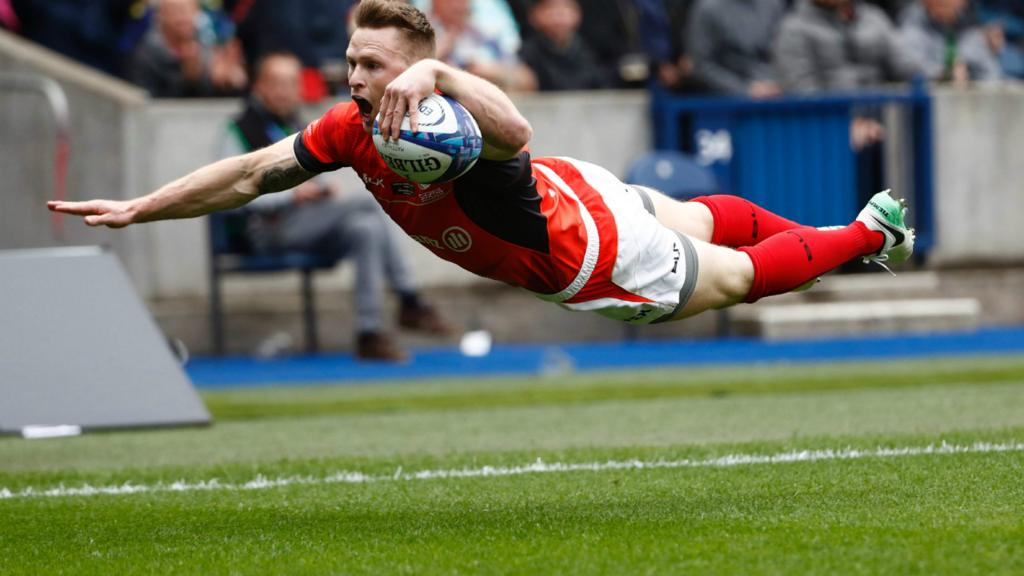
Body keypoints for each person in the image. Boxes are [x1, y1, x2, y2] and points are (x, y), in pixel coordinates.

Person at [49, 0, 916, 332]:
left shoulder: (453, 121)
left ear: (416, 64)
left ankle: (864, 233)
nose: (355, 78)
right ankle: (854, 241)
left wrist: (442, 71)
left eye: (374, 65)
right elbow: (249, 173)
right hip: (576, 190)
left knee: (735, 279)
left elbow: (514, 127)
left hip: (584, 250)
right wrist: (140, 206)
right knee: (707, 215)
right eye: (351, 61)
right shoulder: (352, 128)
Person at [224, 51, 452, 361]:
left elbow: (309, 180)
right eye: (275, 83)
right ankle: (409, 298)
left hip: (306, 222)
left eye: (291, 83)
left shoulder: (297, 124)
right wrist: (292, 195)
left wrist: (319, 191)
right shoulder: (237, 130)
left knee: (366, 229)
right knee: (368, 202)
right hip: (265, 230)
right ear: (258, 87)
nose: (284, 91)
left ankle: (368, 333)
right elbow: (232, 193)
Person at [129, 0, 248, 97]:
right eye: (176, 11)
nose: (183, 17)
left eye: (188, 10)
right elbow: (148, 105)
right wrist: (188, 79)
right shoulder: (146, 55)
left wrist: (226, 84)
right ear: (160, 16)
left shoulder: (206, 46)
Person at [686, 0, 787, 97]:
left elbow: (783, 54)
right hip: (725, 100)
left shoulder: (774, 4)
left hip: (777, 94)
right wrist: (743, 89)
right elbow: (701, 65)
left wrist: (780, 84)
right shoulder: (708, 8)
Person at [899, 0, 1002, 84]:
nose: (945, 1)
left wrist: (967, 74)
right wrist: (945, 75)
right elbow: (910, 70)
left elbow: (991, 76)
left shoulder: (972, 32)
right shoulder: (910, 30)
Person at [518, 0, 611, 91]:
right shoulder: (526, 55)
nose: (559, 15)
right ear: (533, 15)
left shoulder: (592, 50)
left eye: (566, 7)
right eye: (550, 8)